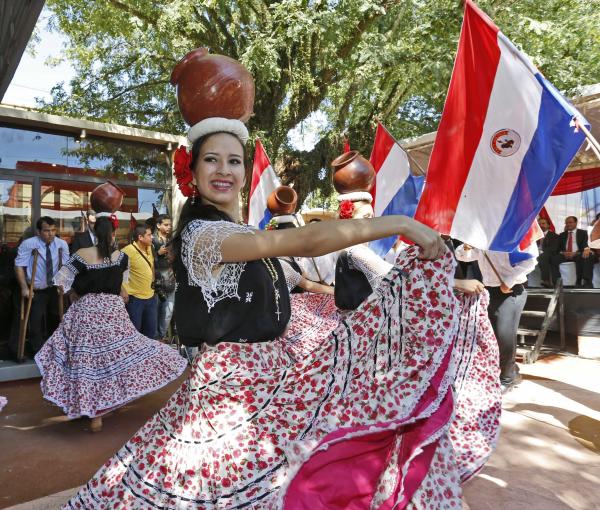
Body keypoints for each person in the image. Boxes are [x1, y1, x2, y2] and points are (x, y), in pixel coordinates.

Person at [67, 51, 464, 509]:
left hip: (270, 382)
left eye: (234, 162)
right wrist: (397, 223)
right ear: (192, 173)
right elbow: (308, 243)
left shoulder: (239, 232)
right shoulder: (203, 235)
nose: (225, 171)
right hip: (230, 393)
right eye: (211, 161)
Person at [34, 214, 187, 432]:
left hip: (86, 313)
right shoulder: (120, 257)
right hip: (113, 313)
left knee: (87, 362)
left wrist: (73, 293)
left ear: (94, 233)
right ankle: (106, 404)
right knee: (114, 359)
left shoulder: (81, 255)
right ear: (114, 234)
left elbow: (60, 283)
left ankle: (93, 411)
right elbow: (121, 286)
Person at [456, 244, 536, 393]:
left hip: (510, 290)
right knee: (490, 335)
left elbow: (531, 261)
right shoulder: (483, 239)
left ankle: (507, 378)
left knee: (504, 335)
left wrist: (509, 281)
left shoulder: (512, 236)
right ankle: (507, 371)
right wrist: (466, 247)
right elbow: (463, 257)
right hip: (488, 290)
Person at [9, 217, 69, 359]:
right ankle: (38, 351)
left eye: (53, 230)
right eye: (47, 231)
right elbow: (19, 266)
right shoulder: (29, 244)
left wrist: (64, 285)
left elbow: (66, 267)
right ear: (38, 231)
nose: (51, 234)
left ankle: (55, 350)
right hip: (36, 289)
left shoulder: (62, 244)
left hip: (54, 288)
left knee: (57, 318)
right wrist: (24, 287)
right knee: (35, 320)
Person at [122, 224, 158, 339]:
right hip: (134, 299)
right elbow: (118, 272)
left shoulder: (150, 248)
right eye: (149, 235)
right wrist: (123, 290)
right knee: (134, 335)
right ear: (140, 237)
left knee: (150, 334)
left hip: (151, 297)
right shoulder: (127, 251)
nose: (152, 237)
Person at [551, 215, 594, 287]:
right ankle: (556, 283)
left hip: (577, 254)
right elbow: (557, 248)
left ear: (576, 223)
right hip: (565, 255)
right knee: (554, 259)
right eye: (566, 223)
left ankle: (582, 281)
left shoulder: (583, 233)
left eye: (570, 222)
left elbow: (586, 245)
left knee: (583, 257)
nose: (568, 224)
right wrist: (563, 253)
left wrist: (576, 253)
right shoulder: (562, 235)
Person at [152, 214, 176, 340]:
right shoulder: (151, 240)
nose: (169, 227)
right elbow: (145, 261)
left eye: (170, 225)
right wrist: (157, 253)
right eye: (166, 225)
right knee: (155, 313)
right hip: (156, 283)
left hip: (171, 281)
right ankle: (155, 340)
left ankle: (161, 337)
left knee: (168, 313)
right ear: (158, 225)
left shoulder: (172, 240)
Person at [536, 216, 559, 287]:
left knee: (543, 256)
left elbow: (553, 248)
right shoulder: (534, 235)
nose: (541, 225)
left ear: (548, 225)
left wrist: (541, 251)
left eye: (543, 223)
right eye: (539, 224)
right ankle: (522, 282)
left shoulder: (554, 235)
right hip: (535, 254)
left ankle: (546, 280)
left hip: (548, 255)